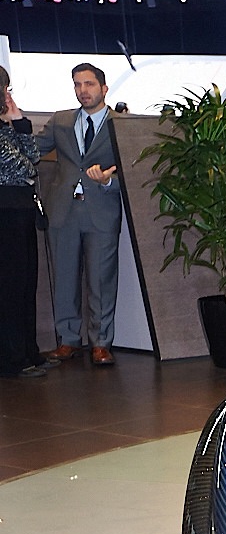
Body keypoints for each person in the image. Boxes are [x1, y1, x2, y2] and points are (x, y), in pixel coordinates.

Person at [37, 62, 122, 366]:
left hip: (102, 210)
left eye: (89, 84)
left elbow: (135, 171)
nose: (82, 90)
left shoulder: (120, 125)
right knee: (64, 278)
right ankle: (68, 340)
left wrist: (109, 181)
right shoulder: (60, 121)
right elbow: (32, 150)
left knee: (102, 279)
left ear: (104, 88)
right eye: (77, 84)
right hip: (63, 211)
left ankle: (101, 343)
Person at [0, 65, 48, 378]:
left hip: (20, 210)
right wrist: (25, 155)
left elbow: (34, 157)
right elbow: (23, 167)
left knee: (26, 283)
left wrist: (20, 123)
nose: (8, 96)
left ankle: (29, 351)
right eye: (4, 89)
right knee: (11, 287)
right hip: (5, 213)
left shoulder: (6, 126)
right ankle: (13, 358)